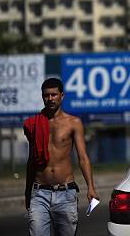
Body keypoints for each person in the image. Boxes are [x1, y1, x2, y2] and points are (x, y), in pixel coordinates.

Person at [24, 77, 99, 236]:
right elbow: (32, 160)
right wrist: (27, 190)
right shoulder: (35, 123)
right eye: (46, 95)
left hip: (65, 192)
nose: (50, 99)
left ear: (62, 96)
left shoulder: (73, 123)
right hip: (39, 193)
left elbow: (83, 157)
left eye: (54, 94)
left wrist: (90, 187)